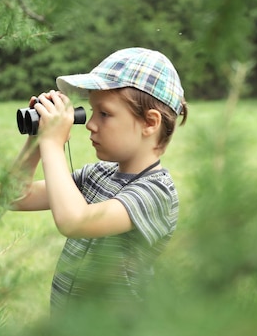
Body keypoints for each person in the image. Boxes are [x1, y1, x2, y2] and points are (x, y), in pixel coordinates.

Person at [10, 47, 188, 316]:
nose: (91, 124)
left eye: (104, 114)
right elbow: (15, 197)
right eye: (91, 112)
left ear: (149, 123)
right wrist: (37, 141)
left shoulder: (157, 193)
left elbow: (76, 221)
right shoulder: (97, 175)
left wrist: (53, 143)